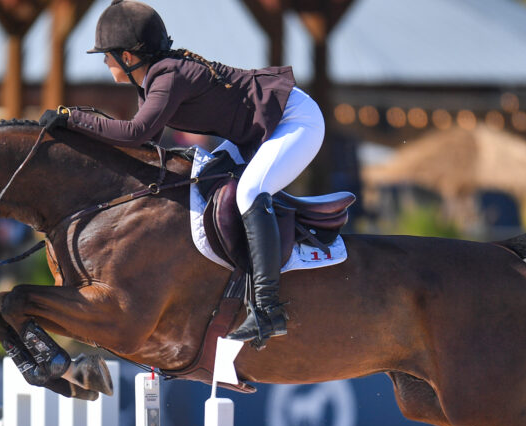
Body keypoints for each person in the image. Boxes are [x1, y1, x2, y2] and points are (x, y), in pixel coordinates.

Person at [41, 0, 325, 348]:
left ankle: (267, 310)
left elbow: (135, 134)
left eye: (107, 54)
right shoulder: (157, 77)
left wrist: (72, 119)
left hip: (295, 122)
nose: (103, 61)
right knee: (204, 174)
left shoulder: (167, 76)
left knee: (250, 192)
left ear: (127, 57)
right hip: (256, 132)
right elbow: (147, 146)